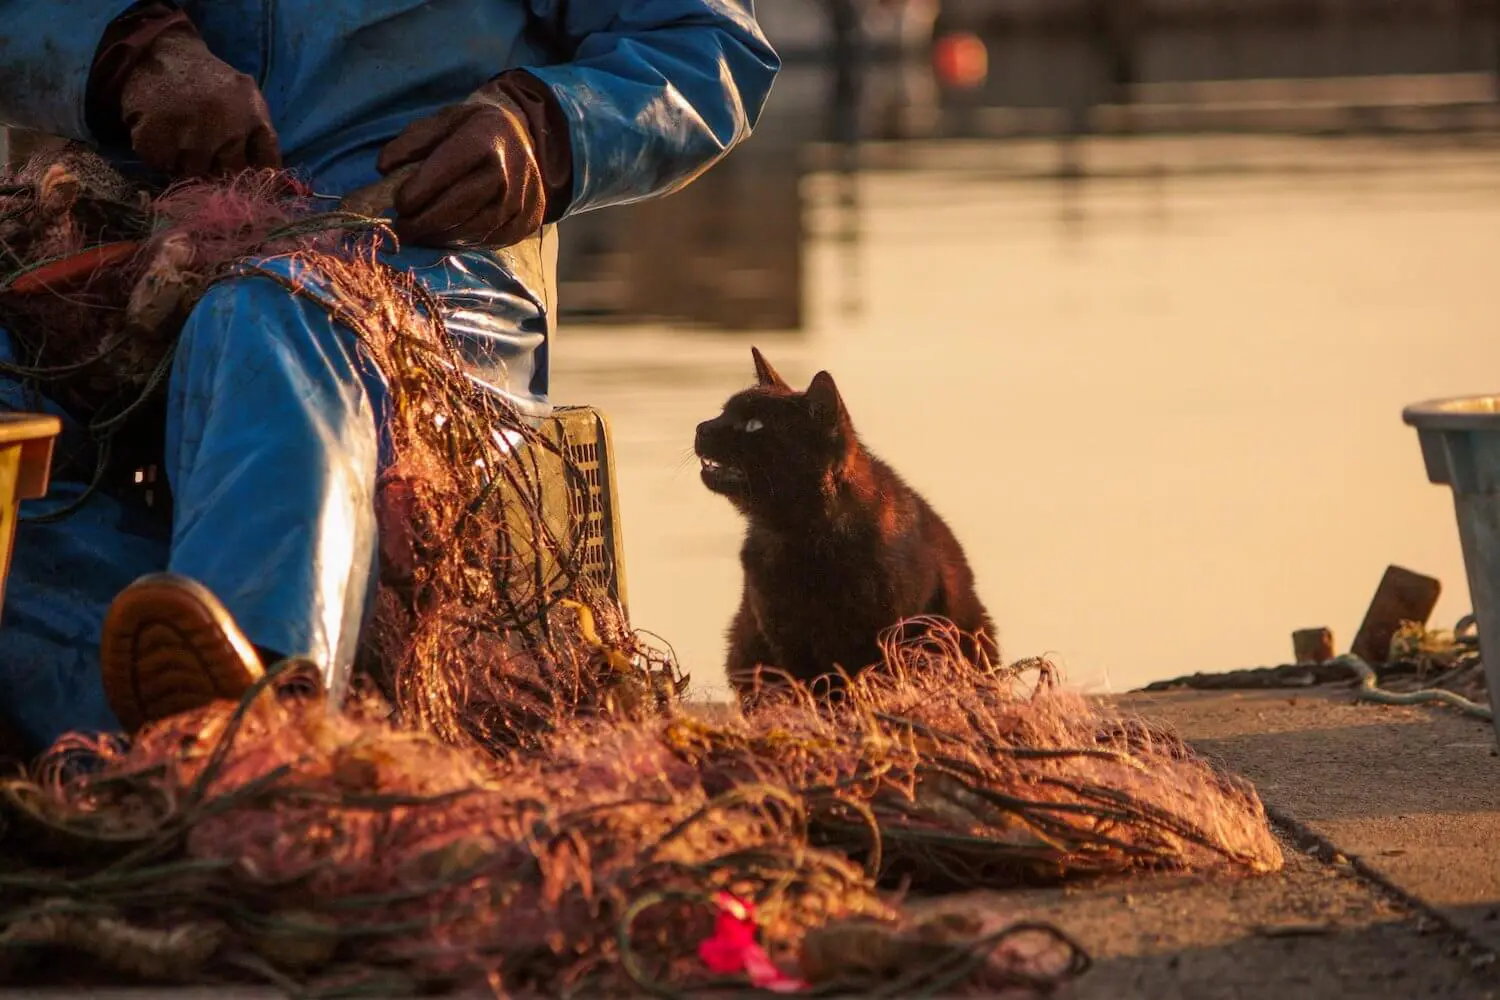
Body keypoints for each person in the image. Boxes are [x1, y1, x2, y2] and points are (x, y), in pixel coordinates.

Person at [0, 1, 779, 755]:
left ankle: (262, 716)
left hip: (421, 270)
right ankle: (158, 731)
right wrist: (133, 54)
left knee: (272, 313)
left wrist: (545, 128)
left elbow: (706, 43)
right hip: (123, 264)